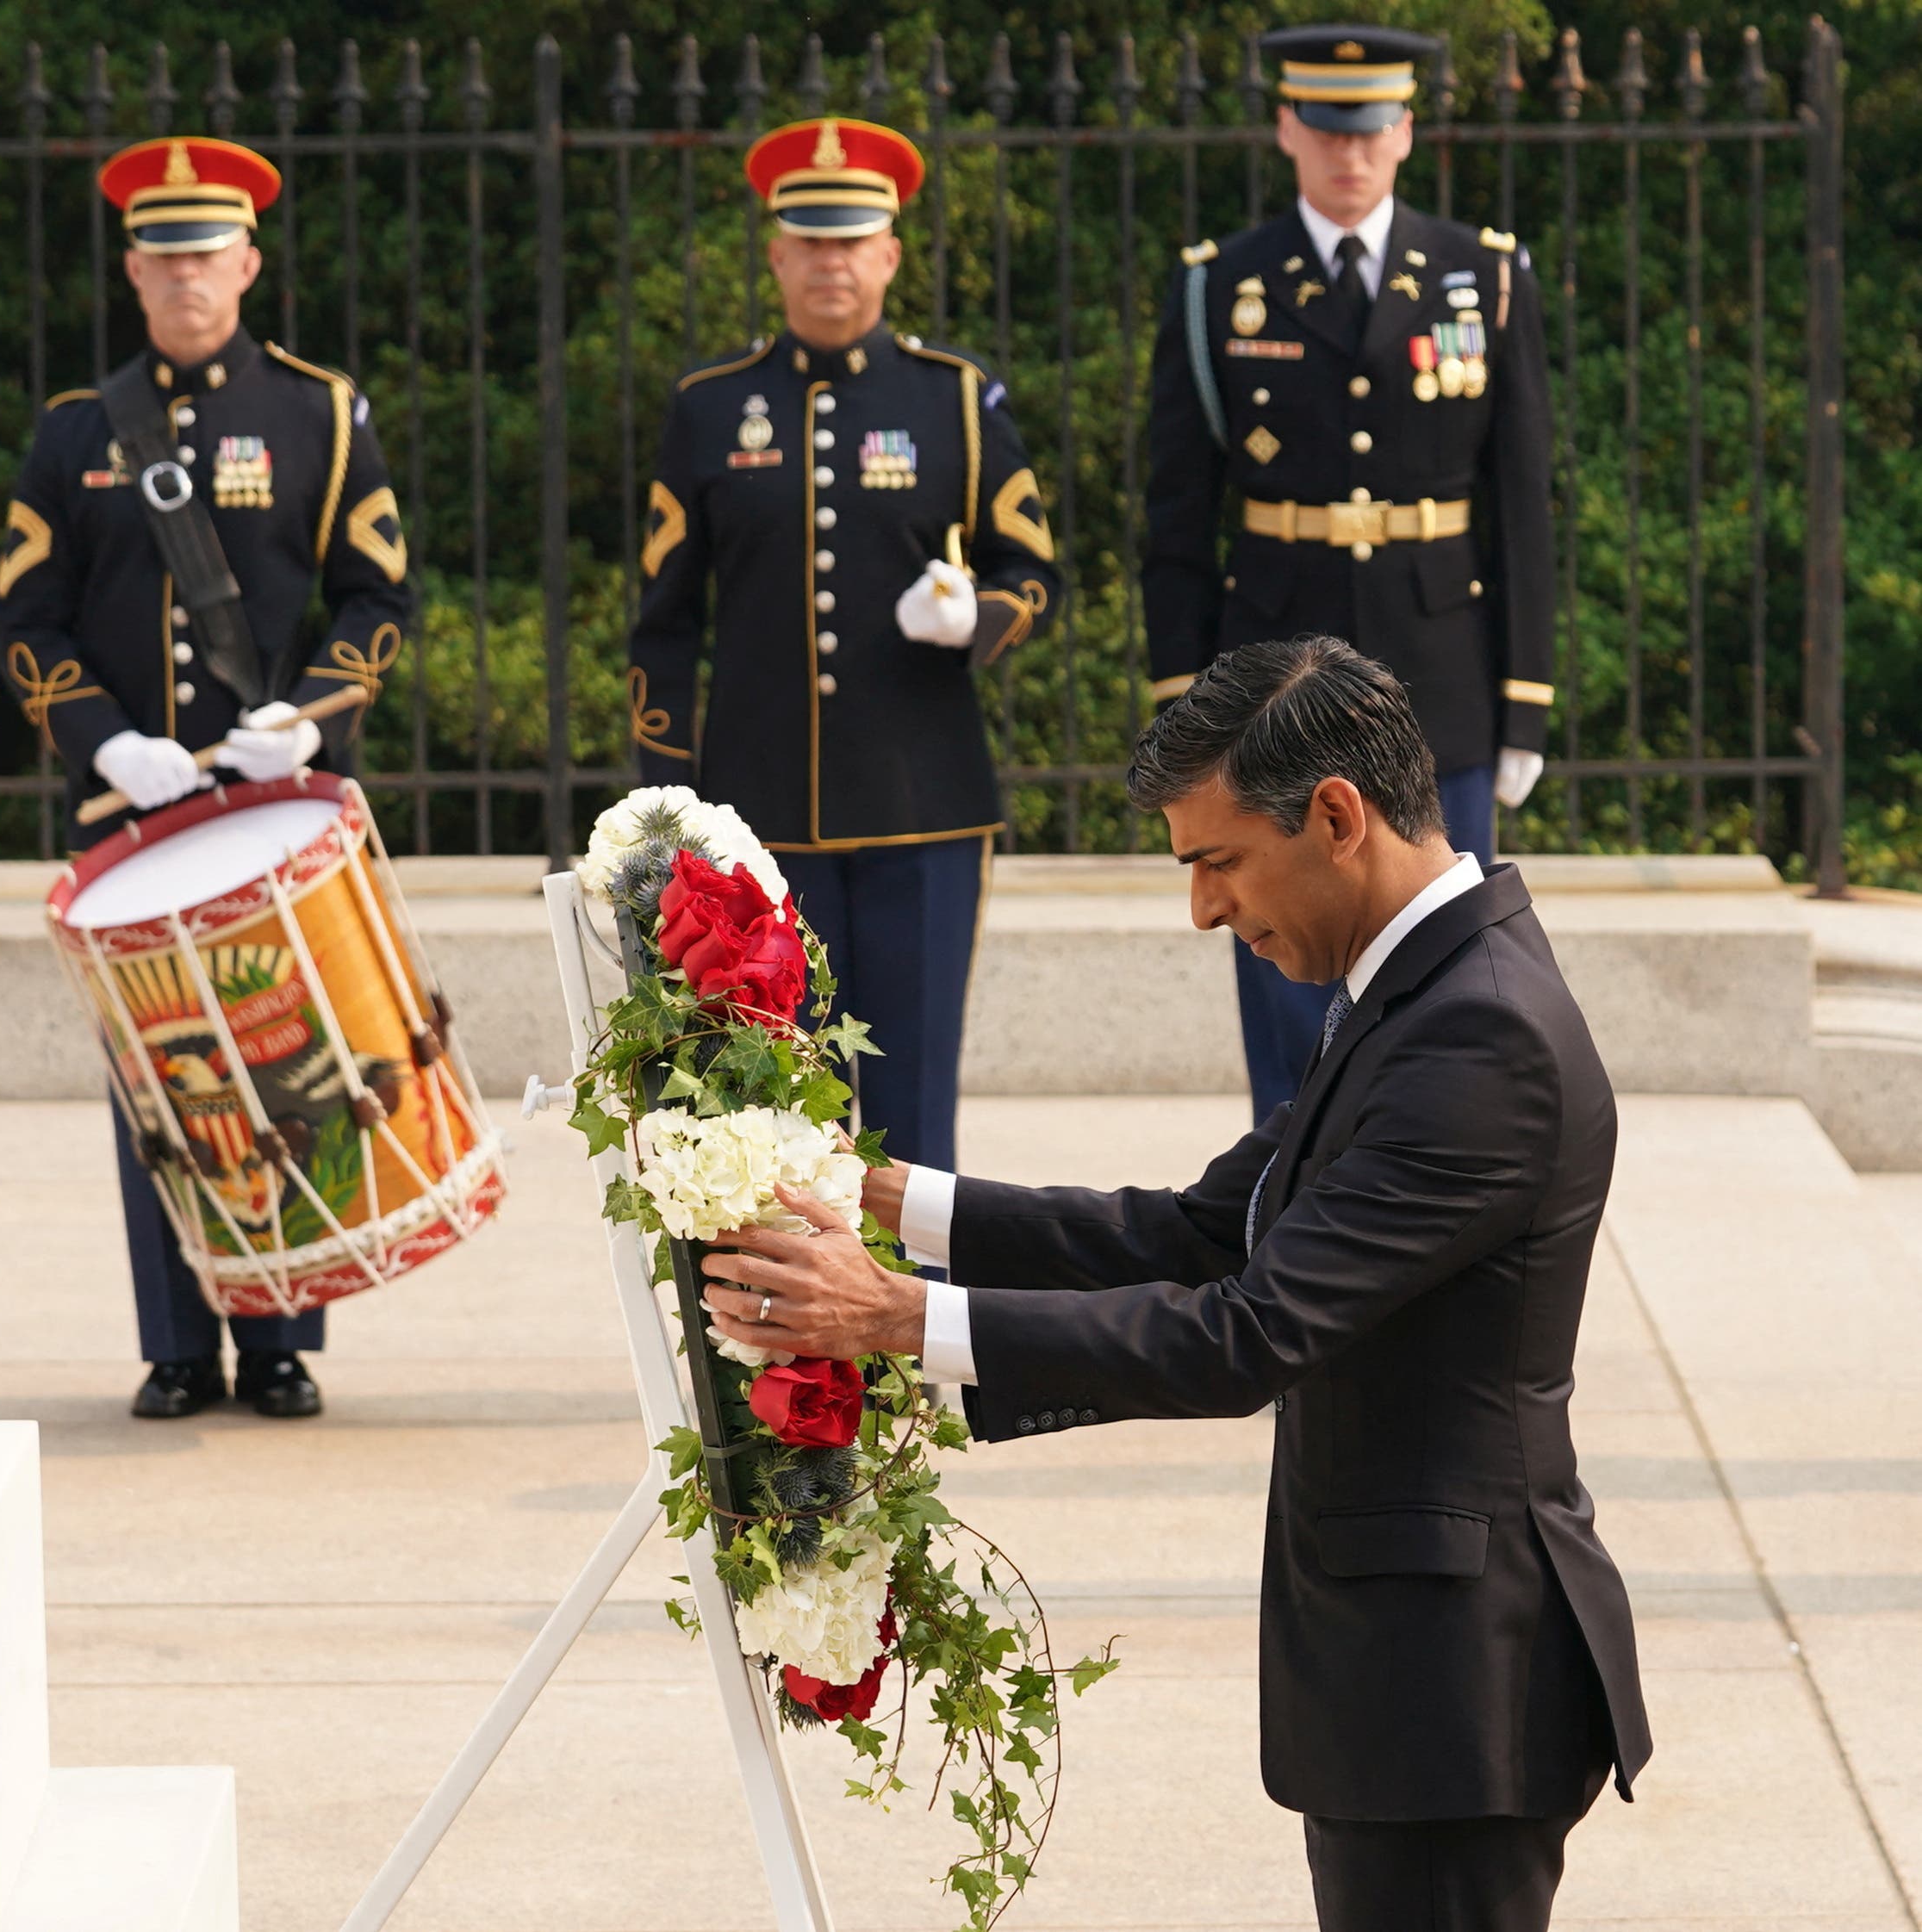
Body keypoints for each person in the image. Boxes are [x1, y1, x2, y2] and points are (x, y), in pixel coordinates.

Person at [695, 636, 1651, 1932]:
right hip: (1414, 1668)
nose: (1204, 910)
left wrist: (897, 1315)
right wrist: (880, 1190)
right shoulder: (1414, 991)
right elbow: (1202, 1229)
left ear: (1334, 817)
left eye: (1216, 861)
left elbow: (1246, 1333)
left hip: (1455, 1686)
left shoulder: (1475, 1034)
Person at [0, 134, 414, 1421]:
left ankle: (280, 1335)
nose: (187, 277)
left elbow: (377, 595)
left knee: (293, 1068)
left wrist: (312, 714)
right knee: (162, 1080)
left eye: (207, 254)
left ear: (247, 261)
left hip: (273, 799)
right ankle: (177, 1341)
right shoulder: (76, 433)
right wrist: (102, 736)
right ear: (133, 269)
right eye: (162, 255)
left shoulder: (318, 414)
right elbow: (26, 614)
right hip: (137, 806)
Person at [627, 116, 1063, 1193]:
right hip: (757, 811)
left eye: (851, 239)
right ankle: (787, 1348)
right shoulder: (709, 406)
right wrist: (666, 804)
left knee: (911, 1102)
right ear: (775, 254)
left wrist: (979, 615)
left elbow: (1034, 567)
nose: (830, 261)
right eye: (807, 240)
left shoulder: (952, 398)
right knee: (767, 1093)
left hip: (925, 804)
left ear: (888, 255)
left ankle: (919, 1335)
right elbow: (663, 617)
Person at [1144, 26, 1557, 1119]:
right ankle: (1278, 1213)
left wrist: (1524, 704)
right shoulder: (1219, 286)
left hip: (1440, 677)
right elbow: (1176, 517)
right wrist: (1179, 707)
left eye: (1370, 127)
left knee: (1441, 976)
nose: (1348, 152)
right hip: (1270, 680)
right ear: (1286, 128)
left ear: (1405, 131)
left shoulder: (1484, 274)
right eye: (1325, 127)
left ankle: (1423, 1188)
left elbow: (1519, 507)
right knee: (1284, 965)